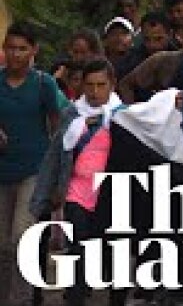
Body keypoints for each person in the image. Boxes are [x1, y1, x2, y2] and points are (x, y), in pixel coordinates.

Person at [31, 59, 125, 306]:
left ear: (112, 85)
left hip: (111, 193)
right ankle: (75, 296)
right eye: (90, 85)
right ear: (82, 85)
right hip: (77, 191)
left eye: (101, 85)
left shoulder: (124, 117)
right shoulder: (71, 114)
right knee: (79, 248)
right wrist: (49, 190)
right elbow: (55, 155)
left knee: (111, 250)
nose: (95, 92)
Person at [0, 22, 65, 306]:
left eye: (21, 49)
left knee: (20, 239)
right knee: (2, 246)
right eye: (10, 48)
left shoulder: (43, 84)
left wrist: (57, 178)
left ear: (33, 51)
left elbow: (59, 129)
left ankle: (22, 300)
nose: (15, 55)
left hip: (33, 171)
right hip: (3, 171)